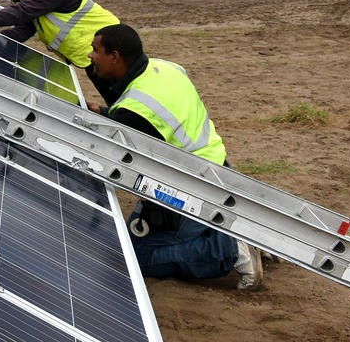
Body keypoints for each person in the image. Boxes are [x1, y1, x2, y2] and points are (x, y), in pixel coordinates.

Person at [88, 23, 264, 290]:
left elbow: (131, 129)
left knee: (137, 257)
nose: (90, 56)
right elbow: (157, 114)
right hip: (216, 165)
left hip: (190, 187)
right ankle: (239, 228)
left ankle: (229, 249)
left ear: (115, 56)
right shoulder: (165, 67)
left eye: (96, 50)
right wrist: (106, 113)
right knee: (137, 230)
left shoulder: (133, 109)